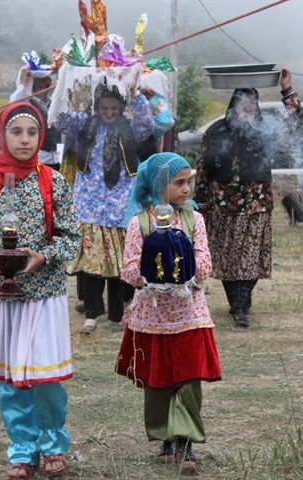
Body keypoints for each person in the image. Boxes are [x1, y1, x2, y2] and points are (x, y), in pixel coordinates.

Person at [0, 102, 81, 479]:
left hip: (43, 294)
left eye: (32, 132)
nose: (25, 140)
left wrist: (42, 256)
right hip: (0, 294)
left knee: (44, 376)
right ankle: (21, 447)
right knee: (9, 378)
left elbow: (71, 238)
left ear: (41, 136)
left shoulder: (54, 181)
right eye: (17, 132)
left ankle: (51, 443)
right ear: (3, 134)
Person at [115, 152, 221, 473]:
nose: (187, 189)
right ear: (160, 184)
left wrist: (184, 266)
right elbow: (130, 271)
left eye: (189, 181)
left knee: (188, 379)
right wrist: (153, 272)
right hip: (153, 317)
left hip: (188, 314)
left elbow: (205, 265)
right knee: (158, 380)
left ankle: (186, 443)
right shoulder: (140, 224)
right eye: (179, 182)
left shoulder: (194, 220)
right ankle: (165, 439)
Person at [194, 68, 303, 328]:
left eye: (253, 103)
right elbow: (202, 165)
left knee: (250, 258)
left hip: (255, 200)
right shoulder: (217, 130)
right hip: (221, 202)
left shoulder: (265, 130)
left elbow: (295, 121)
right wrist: (198, 201)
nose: (248, 108)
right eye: (243, 103)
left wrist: (286, 89)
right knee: (228, 258)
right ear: (233, 105)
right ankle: (236, 302)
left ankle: (242, 305)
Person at [56, 83, 154, 334]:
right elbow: (63, 124)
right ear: (96, 107)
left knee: (120, 264)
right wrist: (77, 96)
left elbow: (147, 125)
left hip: (121, 202)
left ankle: (116, 314)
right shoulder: (86, 124)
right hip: (91, 203)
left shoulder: (129, 127)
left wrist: (135, 94)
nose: (109, 112)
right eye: (104, 108)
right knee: (92, 263)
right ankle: (91, 316)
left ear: (121, 108)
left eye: (114, 108)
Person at [10, 66, 62, 170]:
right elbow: (13, 103)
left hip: (54, 158)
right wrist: (22, 84)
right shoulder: (27, 104)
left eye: (46, 86)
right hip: (38, 159)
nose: (44, 90)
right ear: (32, 88)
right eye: (39, 87)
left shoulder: (50, 103)